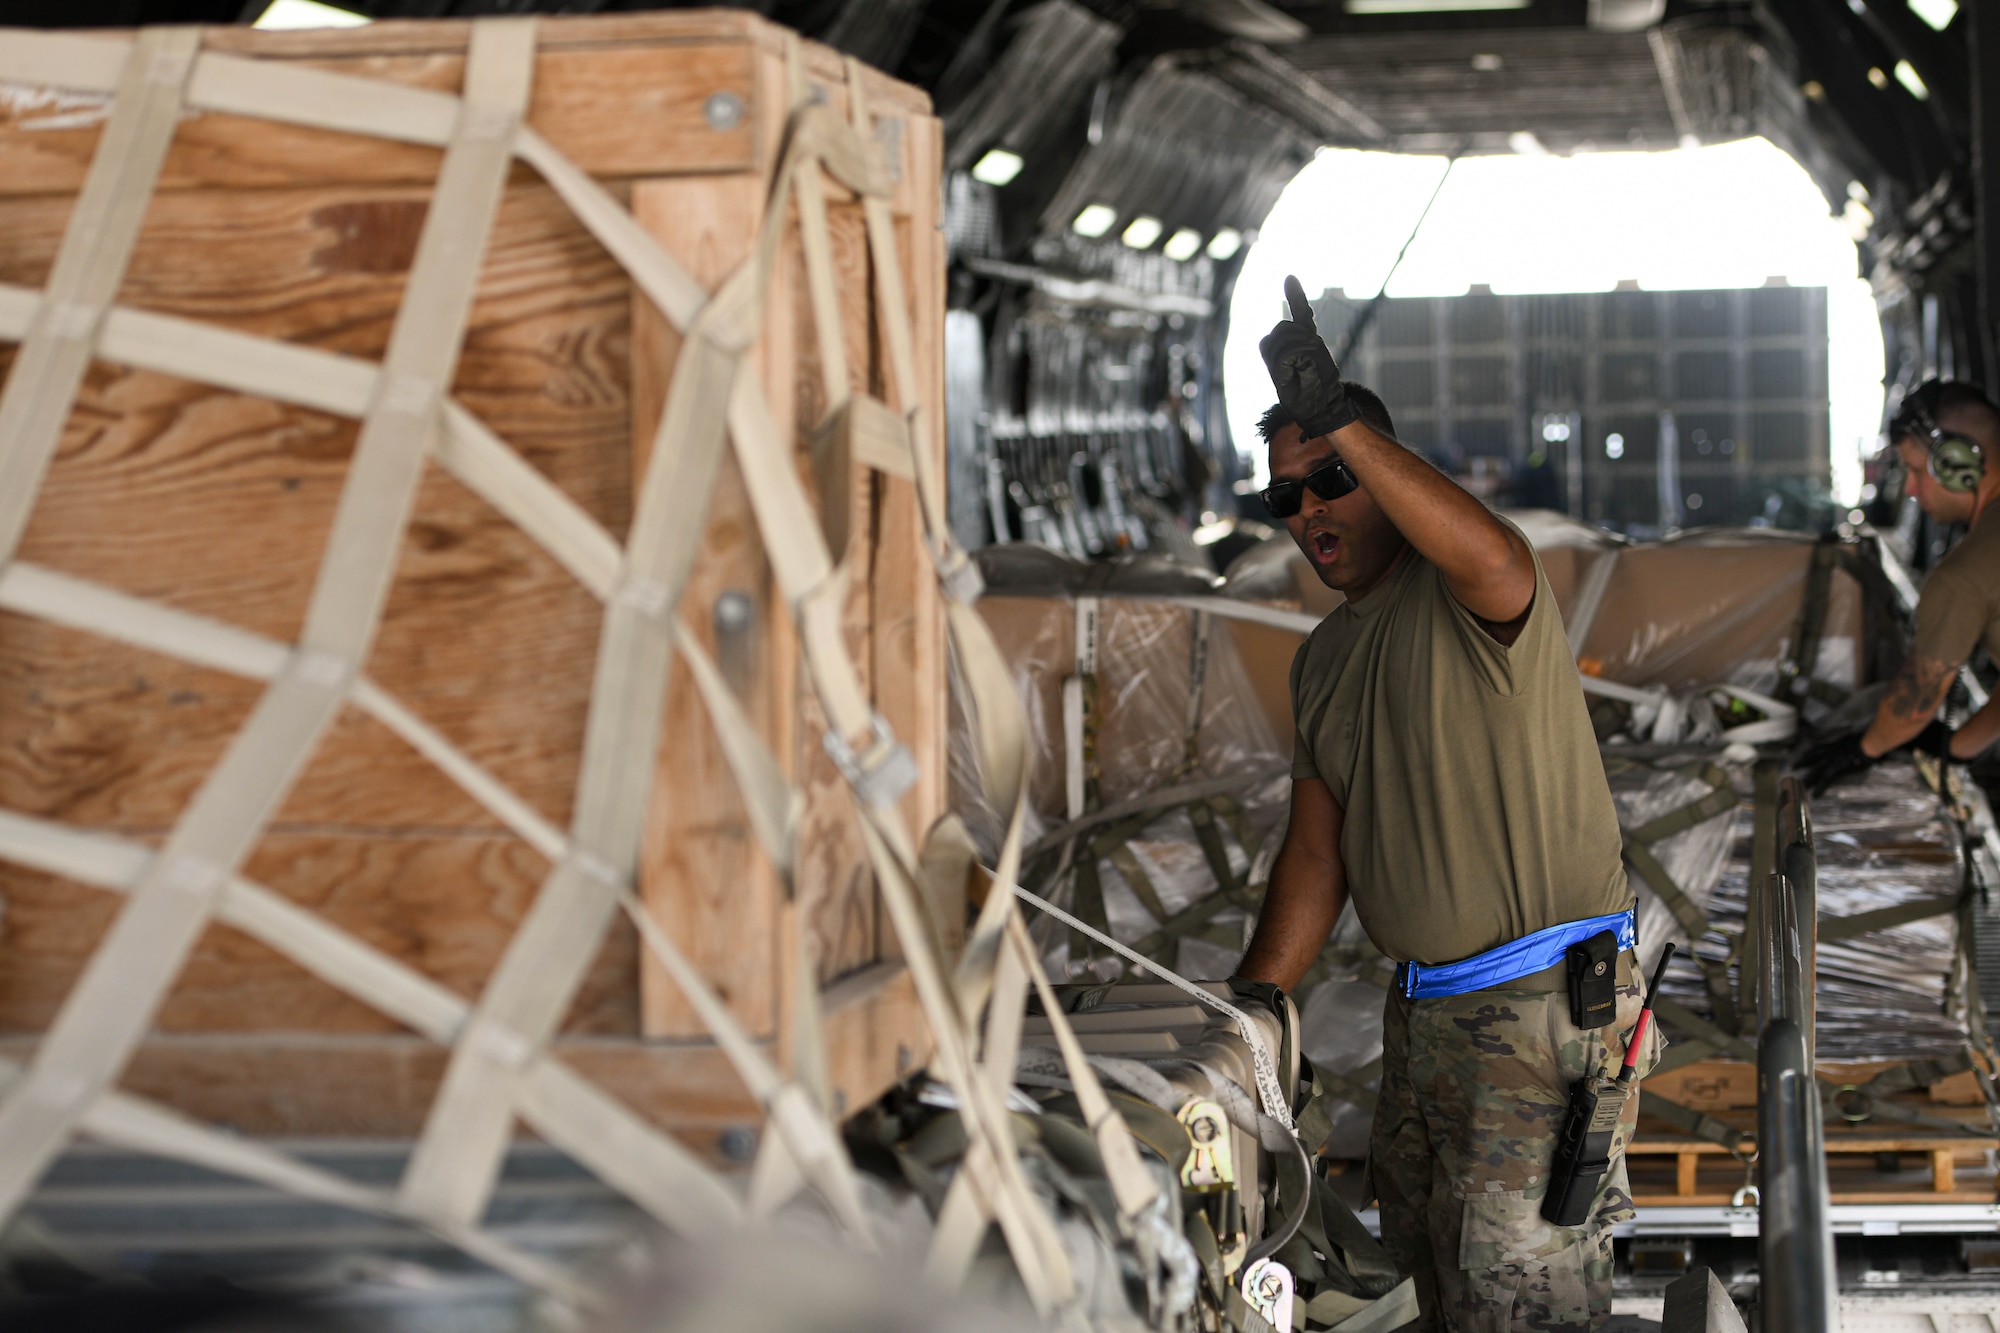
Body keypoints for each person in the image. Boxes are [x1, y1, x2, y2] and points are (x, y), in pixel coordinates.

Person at [1235, 278, 1657, 1331]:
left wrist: (1339, 416)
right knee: (1439, 1287)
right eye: (1284, 497)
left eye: (1328, 477)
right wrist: (1253, 1008)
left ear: (1381, 472)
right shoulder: (1326, 660)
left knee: (1527, 1303)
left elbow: (1496, 554)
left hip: (1538, 1016)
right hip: (1425, 1018)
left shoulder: (1469, 596)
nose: (1309, 512)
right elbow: (1315, 853)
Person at [1802, 379, 2000, 793]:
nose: (1909, 489)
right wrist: (1958, 747)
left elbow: (1915, 703)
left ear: (1957, 464)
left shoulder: (1965, 575)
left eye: (1914, 470)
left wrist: (1863, 748)